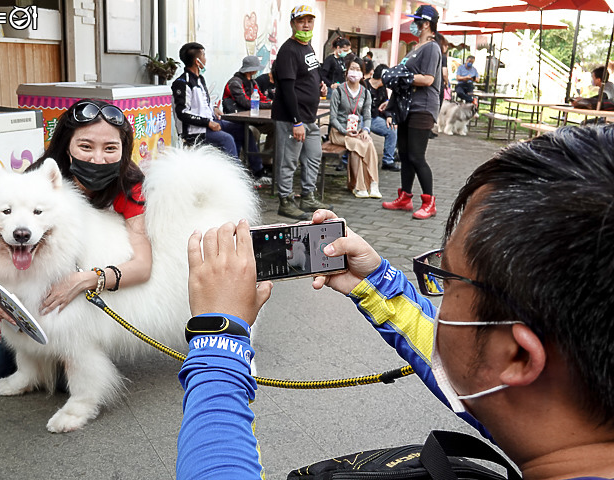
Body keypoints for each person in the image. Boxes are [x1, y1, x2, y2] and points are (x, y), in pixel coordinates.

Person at [177, 125, 614, 479]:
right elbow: (491, 372)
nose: (439, 297)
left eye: (445, 278)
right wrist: (378, 284)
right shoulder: (570, 423)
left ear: (519, 355)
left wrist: (220, 339)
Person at [0, 99, 153, 389]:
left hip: (95, 280)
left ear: (123, 149)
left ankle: (85, 356)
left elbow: (142, 266)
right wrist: (0, 299)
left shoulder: (129, 185)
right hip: (27, 286)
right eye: (86, 146)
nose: (98, 159)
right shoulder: (40, 178)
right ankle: (31, 371)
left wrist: (86, 280)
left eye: (110, 148)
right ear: (68, 145)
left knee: (71, 356)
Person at [382, 4, 442, 220]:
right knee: (405, 155)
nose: (413, 25)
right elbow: (402, 82)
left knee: (417, 156)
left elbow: (428, 79)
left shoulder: (432, 48)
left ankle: (429, 203)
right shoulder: (415, 49)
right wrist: (390, 107)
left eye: (416, 21)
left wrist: (401, 78)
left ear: (425, 24)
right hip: (407, 108)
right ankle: (405, 198)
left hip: (423, 109)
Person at [271, 4, 330, 220]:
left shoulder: (308, 46)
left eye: (309, 20)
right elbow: (287, 89)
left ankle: (308, 196)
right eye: (301, 21)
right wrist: (296, 121)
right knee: (288, 160)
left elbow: (311, 75)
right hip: (291, 117)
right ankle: (285, 201)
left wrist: (320, 85)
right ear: (292, 23)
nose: (306, 24)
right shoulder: (288, 50)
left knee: (313, 156)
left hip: (309, 116)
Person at [172, 42, 249, 161]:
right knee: (226, 139)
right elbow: (182, 113)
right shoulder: (182, 83)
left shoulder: (200, 79)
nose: (206, 59)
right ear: (198, 61)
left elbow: (201, 103)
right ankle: (234, 173)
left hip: (208, 122)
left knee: (242, 130)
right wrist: (208, 123)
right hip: (194, 131)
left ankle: (256, 170)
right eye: (204, 56)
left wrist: (213, 109)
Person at [329, 56, 381, 199]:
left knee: (367, 142)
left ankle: (369, 185)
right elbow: (332, 118)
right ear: (346, 71)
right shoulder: (338, 91)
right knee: (360, 144)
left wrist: (365, 130)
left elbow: (368, 116)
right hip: (339, 132)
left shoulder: (365, 93)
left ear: (362, 74)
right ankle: (362, 185)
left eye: (358, 69)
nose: (354, 72)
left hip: (356, 131)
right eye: (352, 68)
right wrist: (345, 131)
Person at [222, 55, 274, 184]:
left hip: (252, 118)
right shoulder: (235, 82)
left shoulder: (252, 82)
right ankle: (252, 171)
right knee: (247, 133)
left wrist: (270, 102)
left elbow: (261, 97)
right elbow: (245, 102)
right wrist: (269, 104)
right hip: (236, 120)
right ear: (251, 69)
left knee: (275, 128)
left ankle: (266, 162)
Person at [363, 61, 399, 171]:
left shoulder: (382, 89)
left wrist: (388, 116)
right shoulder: (364, 85)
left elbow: (386, 104)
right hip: (362, 117)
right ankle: (346, 159)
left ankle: (388, 160)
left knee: (392, 129)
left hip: (374, 118)